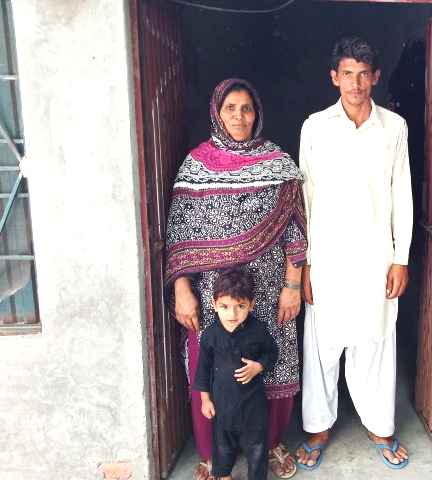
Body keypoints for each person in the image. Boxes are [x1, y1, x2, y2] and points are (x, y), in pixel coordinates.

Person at [165, 78, 306, 480]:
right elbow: (179, 235)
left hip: (268, 291)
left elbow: (297, 229)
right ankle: (213, 455)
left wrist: (292, 287)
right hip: (214, 297)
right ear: (217, 112)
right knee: (211, 367)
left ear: (257, 113)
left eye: (246, 108)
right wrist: (182, 290)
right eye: (231, 108)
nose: (239, 116)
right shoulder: (195, 166)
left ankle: (273, 442)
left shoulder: (280, 163)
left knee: (271, 363)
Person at [295, 37, 413, 470]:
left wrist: (401, 257)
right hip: (326, 254)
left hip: (375, 254)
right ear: (334, 77)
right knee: (323, 340)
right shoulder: (315, 127)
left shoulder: (394, 128)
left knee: (376, 337)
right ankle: (318, 425)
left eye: (364, 73)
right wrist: (303, 264)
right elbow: (304, 197)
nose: (356, 82)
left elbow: (402, 194)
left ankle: (379, 424)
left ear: (376, 77)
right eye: (348, 73)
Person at [192, 268, 278, 480]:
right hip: (222, 406)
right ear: (214, 305)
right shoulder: (210, 336)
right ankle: (223, 476)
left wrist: (259, 366)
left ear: (251, 304)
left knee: (257, 448)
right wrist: (205, 400)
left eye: (240, 306)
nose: (232, 314)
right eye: (225, 307)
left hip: (253, 407)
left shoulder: (257, 330)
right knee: (222, 446)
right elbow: (203, 369)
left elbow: (271, 352)